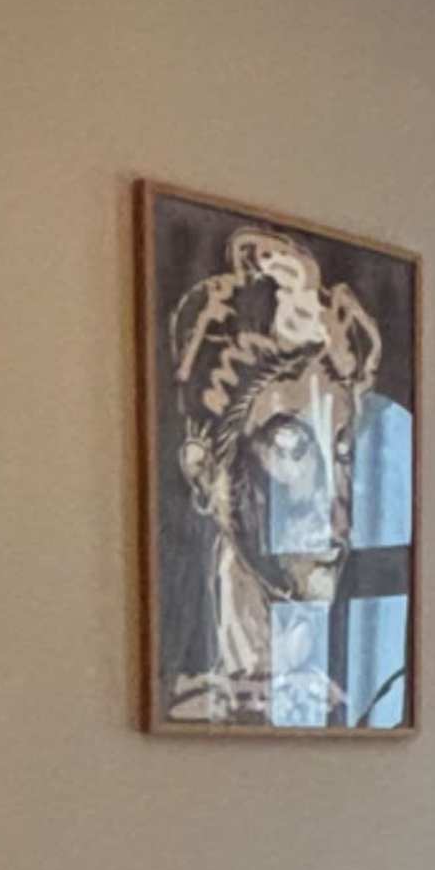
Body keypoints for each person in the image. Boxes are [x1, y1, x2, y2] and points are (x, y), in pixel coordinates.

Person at [161, 222, 407, 727]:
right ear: (206, 476)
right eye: (291, 447)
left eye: (341, 452)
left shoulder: (374, 698)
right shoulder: (182, 702)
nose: (334, 502)